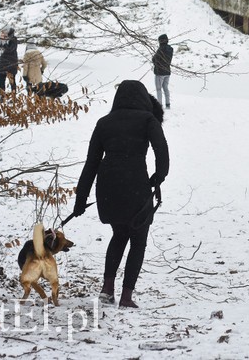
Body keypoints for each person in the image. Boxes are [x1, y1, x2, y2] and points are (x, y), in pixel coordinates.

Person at [73, 80, 169, 308]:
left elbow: (91, 164)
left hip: (109, 187)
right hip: (136, 184)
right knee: (138, 239)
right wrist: (159, 176)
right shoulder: (148, 120)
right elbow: (162, 151)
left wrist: (80, 200)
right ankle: (126, 296)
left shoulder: (104, 123)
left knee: (118, 235)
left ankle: (107, 290)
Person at [152, 34, 174, 109]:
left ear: (160, 41)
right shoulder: (171, 49)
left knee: (159, 89)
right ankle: (168, 104)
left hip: (159, 72)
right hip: (167, 71)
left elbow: (155, 59)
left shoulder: (160, 49)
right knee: (165, 88)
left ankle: (159, 106)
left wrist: (154, 59)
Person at [0, 27, 19, 93]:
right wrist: (0, 42)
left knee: (12, 82)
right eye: (2, 33)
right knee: (1, 81)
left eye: (4, 33)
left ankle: (14, 97)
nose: (3, 34)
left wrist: (4, 42)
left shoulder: (13, 39)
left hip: (11, 63)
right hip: (3, 63)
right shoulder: (3, 40)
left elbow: (9, 49)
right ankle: (2, 96)